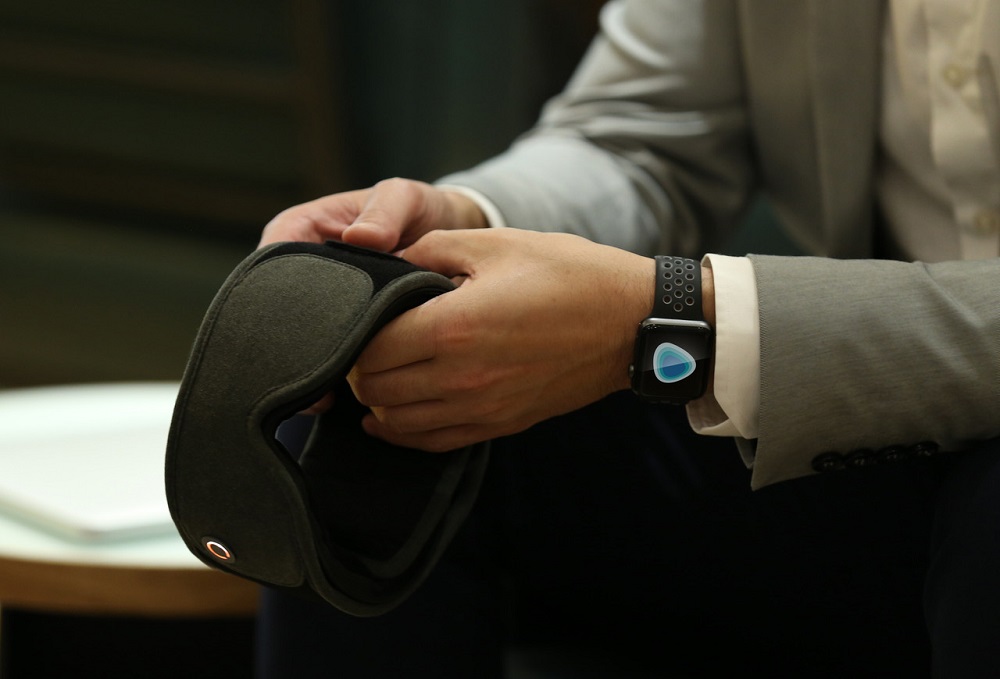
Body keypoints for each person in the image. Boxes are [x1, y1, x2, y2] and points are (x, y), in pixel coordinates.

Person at [255, 1, 1000, 677]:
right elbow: (644, 134)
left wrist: (674, 314)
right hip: (870, 448)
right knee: (397, 395)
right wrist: (470, 218)